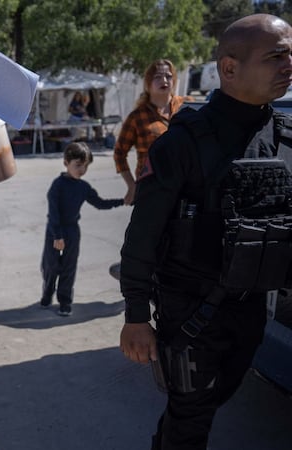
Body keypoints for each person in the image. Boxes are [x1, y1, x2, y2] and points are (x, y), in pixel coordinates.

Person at [119, 14, 292, 450]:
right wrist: (136, 317)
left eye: (291, 54)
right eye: (276, 56)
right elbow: (142, 235)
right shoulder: (182, 142)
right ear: (230, 69)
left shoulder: (283, 135)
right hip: (193, 312)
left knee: (211, 403)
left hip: (252, 307)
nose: (288, 65)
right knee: (189, 420)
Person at [39, 142, 124, 316]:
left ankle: (64, 301)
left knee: (69, 268)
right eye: (78, 165)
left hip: (72, 232)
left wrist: (123, 201)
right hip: (55, 232)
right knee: (51, 266)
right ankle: (47, 292)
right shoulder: (57, 186)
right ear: (66, 163)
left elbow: (100, 204)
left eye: (85, 166)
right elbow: (53, 214)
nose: (82, 170)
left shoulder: (83, 187)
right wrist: (57, 236)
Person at [113, 59, 186, 206]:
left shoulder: (186, 106)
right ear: (148, 83)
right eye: (157, 77)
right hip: (151, 187)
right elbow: (119, 153)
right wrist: (132, 186)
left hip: (185, 187)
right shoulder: (137, 117)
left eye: (168, 76)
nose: (164, 80)